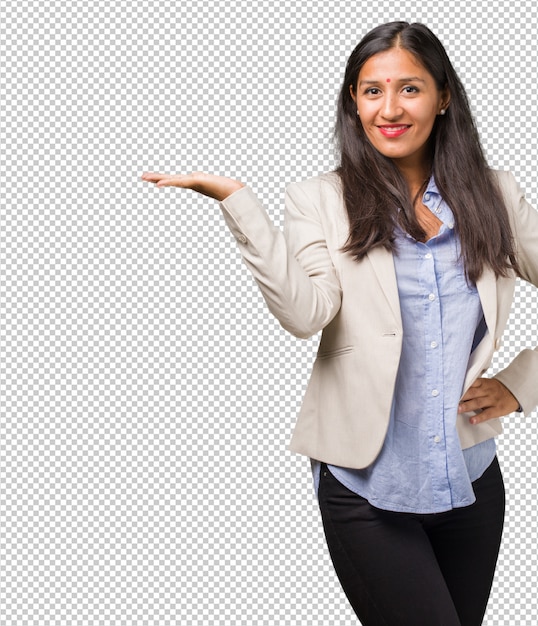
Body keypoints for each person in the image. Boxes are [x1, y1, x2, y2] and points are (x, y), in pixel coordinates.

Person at [141, 21, 538, 626]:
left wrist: (521, 385)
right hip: (365, 482)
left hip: (471, 480)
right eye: (372, 90)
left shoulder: (496, 195)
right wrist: (238, 203)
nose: (390, 108)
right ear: (353, 101)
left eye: (410, 88)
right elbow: (306, 314)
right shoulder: (319, 199)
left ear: (444, 96)